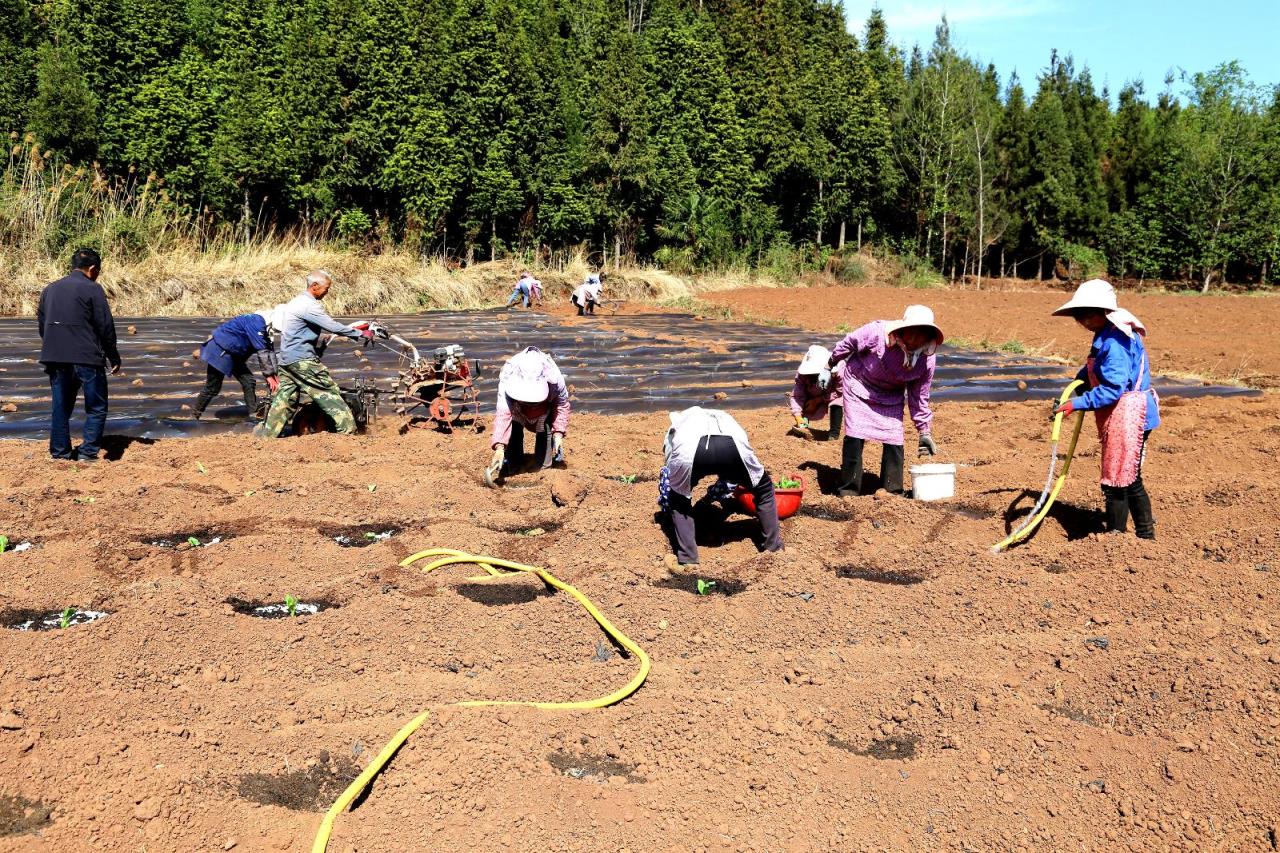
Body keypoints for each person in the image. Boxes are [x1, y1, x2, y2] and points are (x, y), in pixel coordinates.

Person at [1050, 279, 1159, 539]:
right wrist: (1074, 390)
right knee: (1128, 477)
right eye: (1079, 316)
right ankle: (1143, 535)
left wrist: (1076, 404)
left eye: (1088, 314)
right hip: (1124, 414)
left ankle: (1118, 537)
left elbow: (1112, 389)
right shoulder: (1105, 335)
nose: (1083, 321)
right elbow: (1092, 371)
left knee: (1119, 480)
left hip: (1130, 415)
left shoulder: (1115, 342)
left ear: (1104, 312)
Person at [824, 304, 942, 496]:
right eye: (910, 332)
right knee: (855, 434)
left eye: (920, 334)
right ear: (903, 329)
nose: (913, 339)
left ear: (929, 336)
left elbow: (919, 396)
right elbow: (849, 342)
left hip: (891, 394)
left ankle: (892, 491)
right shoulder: (877, 333)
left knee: (894, 438)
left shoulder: (926, 359)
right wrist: (829, 365)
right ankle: (849, 490)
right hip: (859, 384)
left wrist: (924, 431)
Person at [658, 407, 784, 565]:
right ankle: (774, 548)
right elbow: (743, 449)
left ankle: (688, 558)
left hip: (691, 452)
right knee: (764, 489)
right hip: (732, 447)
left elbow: (671, 464)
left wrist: (677, 491)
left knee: (679, 501)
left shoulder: (677, 426)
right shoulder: (725, 417)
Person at [256, 271, 373, 438]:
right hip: (303, 360)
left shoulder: (296, 301)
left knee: (286, 399)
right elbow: (331, 325)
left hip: (286, 360)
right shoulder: (309, 305)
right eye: (326, 288)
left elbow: (302, 330)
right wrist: (360, 334)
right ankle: (348, 433)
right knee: (328, 393)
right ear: (314, 286)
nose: (327, 292)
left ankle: (266, 437)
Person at [37, 247, 121, 461]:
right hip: (86, 357)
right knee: (96, 406)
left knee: (61, 407)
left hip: (55, 357)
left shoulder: (50, 289)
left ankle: (60, 452)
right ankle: (87, 452)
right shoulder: (93, 289)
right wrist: (113, 356)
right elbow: (105, 326)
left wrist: (54, 346)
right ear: (92, 269)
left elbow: (42, 325)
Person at [488, 347, 570, 477]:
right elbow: (503, 414)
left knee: (545, 428)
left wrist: (558, 433)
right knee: (514, 428)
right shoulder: (508, 376)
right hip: (517, 409)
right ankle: (514, 467)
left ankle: (543, 471)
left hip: (544, 410)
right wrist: (499, 447)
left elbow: (561, 404)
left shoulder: (554, 378)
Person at [192, 310, 280, 421]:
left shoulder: (265, 327)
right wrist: (268, 375)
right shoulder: (257, 323)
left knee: (249, 381)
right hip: (220, 350)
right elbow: (262, 351)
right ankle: (195, 415)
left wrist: (274, 374)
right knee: (212, 388)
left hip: (234, 354)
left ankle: (253, 414)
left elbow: (270, 351)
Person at [788, 344, 843, 436]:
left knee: (837, 403)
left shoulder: (839, 369)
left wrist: (818, 400)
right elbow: (798, 396)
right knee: (805, 399)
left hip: (833, 392)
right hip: (815, 391)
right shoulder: (802, 375)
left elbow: (840, 391)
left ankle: (834, 434)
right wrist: (797, 415)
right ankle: (803, 426)